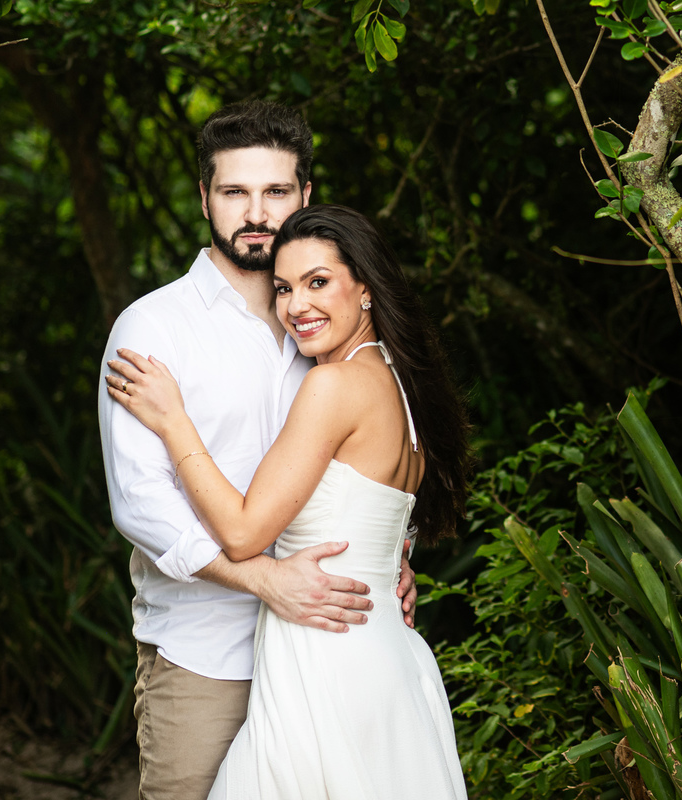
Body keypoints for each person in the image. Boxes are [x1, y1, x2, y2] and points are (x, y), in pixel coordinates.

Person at [97, 102, 419, 800]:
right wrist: (261, 580)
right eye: (235, 192)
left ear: (305, 196)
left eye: (275, 192)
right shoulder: (153, 327)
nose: (256, 212)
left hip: (330, 651)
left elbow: (368, 462)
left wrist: (392, 550)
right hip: (206, 655)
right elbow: (140, 506)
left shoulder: (324, 327)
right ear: (204, 197)